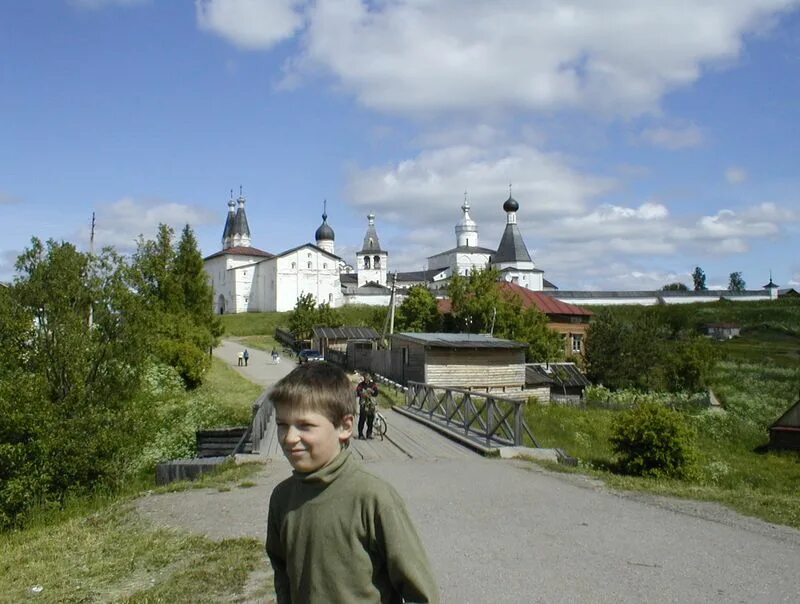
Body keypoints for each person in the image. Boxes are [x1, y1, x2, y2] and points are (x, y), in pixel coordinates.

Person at [266, 363, 439, 604]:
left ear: (345, 427)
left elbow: (420, 592)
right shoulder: (282, 498)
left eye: (305, 425)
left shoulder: (373, 498)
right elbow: (282, 570)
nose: (290, 437)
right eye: (282, 425)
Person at [356, 373, 379, 440]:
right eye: (365, 377)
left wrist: (372, 391)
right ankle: (360, 434)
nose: (366, 378)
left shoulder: (372, 385)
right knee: (362, 419)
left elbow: (376, 393)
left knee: (370, 419)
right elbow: (358, 392)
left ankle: (369, 433)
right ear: (364, 377)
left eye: (368, 377)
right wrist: (363, 393)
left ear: (370, 377)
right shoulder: (361, 385)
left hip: (371, 404)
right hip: (363, 403)